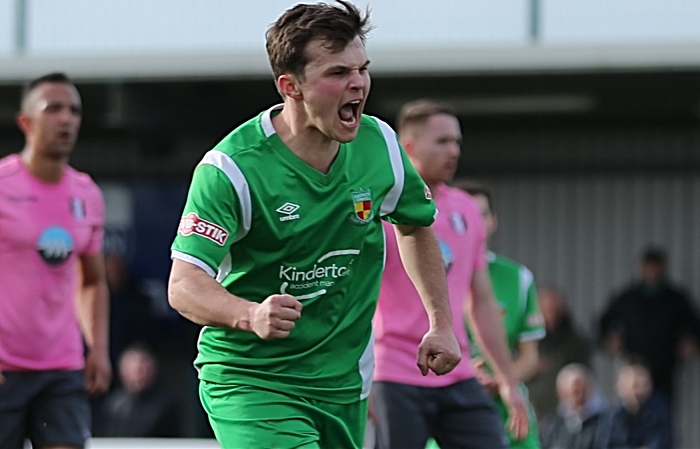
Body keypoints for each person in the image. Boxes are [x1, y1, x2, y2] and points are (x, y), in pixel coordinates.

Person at [167, 3, 461, 449]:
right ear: (291, 86)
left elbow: (415, 226)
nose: (358, 83)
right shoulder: (232, 169)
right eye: (338, 72)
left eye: (363, 68)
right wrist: (250, 314)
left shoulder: (379, 144)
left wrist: (440, 322)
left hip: (343, 383)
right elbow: (183, 284)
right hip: (252, 380)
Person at [372, 99, 529, 449]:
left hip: (457, 375)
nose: (453, 151)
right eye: (442, 142)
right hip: (394, 374)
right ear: (408, 146)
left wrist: (507, 380)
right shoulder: (380, 208)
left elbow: (482, 302)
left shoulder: (467, 209)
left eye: (457, 141)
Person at [0, 72, 111, 449]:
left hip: (62, 369)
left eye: (74, 111)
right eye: (54, 109)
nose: (66, 119)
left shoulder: (87, 193)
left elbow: (93, 279)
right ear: (26, 122)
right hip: (4, 369)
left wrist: (98, 347)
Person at [459, 181, 545, 449]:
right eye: (465, 214)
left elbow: (530, 357)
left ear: (494, 221)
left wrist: (501, 379)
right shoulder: (429, 274)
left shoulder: (518, 278)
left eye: (481, 214)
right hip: (450, 403)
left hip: (508, 409)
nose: (474, 222)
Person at [598, 246, 700, 403]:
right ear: (642, 269)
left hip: (665, 366)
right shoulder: (628, 298)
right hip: (633, 364)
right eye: (649, 267)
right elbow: (603, 322)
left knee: (662, 410)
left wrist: (690, 343)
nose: (653, 272)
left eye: (656, 267)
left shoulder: (675, 299)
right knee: (631, 408)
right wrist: (609, 341)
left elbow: (694, 326)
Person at [526, 286, 592, 421]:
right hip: (532, 407)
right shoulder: (528, 338)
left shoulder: (573, 339)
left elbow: (585, 371)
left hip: (564, 413)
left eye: (556, 309)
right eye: (548, 309)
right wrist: (530, 366)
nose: (552, 314)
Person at [93, 343, 182, 437]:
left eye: (143, 368)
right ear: (122, 371)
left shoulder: (166, 406)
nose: (139, 373)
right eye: (134, 368)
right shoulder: (113, 407)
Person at [599, 359, 674, 449]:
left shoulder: (661, 411)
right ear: (620, 387)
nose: (640, 391)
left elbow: (663, 443)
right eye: (635, 385)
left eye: (645, 385)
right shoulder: (611, 415)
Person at [539, 363, 607, 449]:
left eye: (583, 388)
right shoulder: (552, 426)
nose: (580, 395)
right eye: (575, 391)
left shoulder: (605, 422)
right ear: (561, 393)